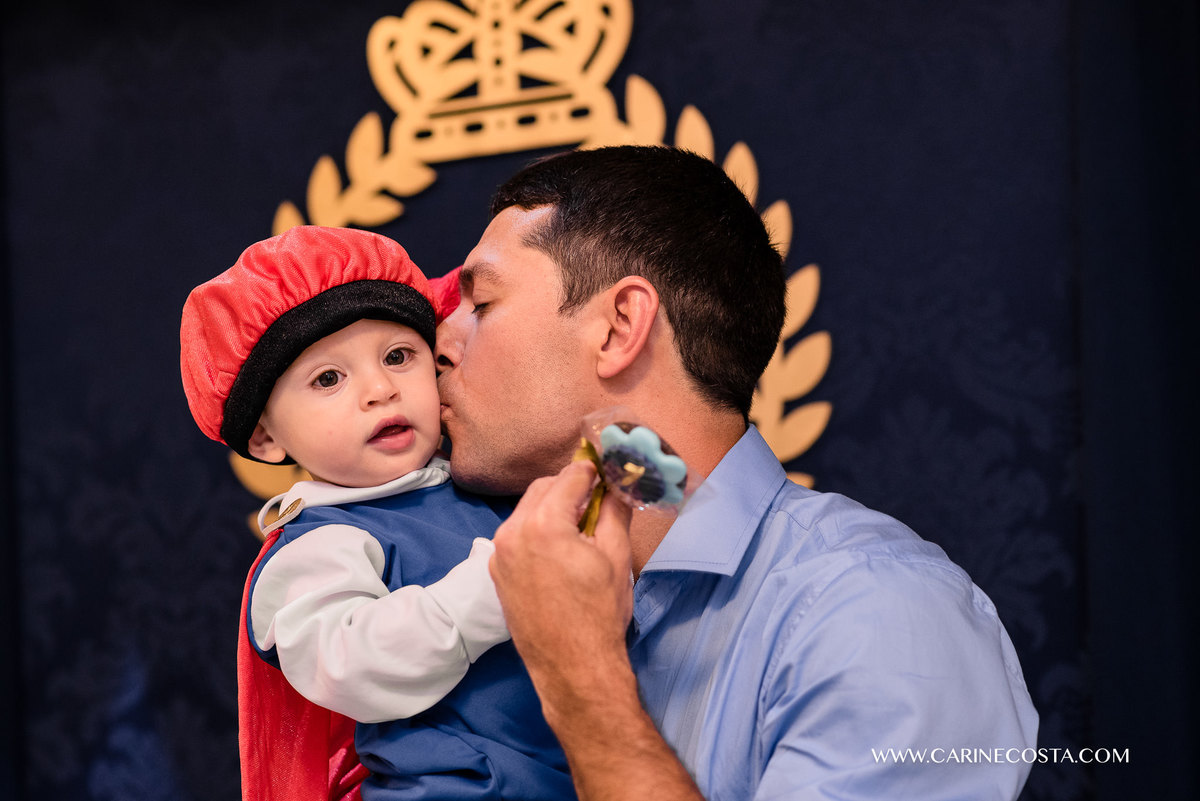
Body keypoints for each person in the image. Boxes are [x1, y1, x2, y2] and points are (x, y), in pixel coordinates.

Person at [434, 145, 1040, 800]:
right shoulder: (462, 599)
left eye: (482, 303)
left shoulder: (878, 610)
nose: (440, 339)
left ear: (618, 327)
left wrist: (582, 679)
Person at [179, 225, 574, 801]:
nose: (380, 389)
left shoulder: (486, 480)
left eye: (398, 356)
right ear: (265, 436)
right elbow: (347, 662)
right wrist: (495, 584)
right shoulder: (319, 545)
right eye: (329, 378)